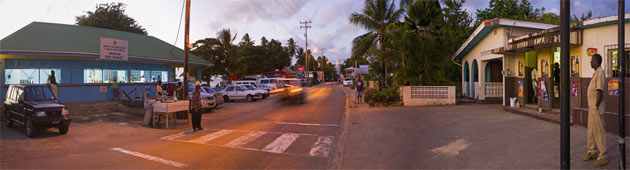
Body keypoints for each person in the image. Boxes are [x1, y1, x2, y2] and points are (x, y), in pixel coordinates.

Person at [583, 54, 608, 167]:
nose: (590, 62)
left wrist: (596, 106)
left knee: (599, 131)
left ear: (597, 61)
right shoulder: (596, 73)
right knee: (591, 131)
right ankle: (592, 151)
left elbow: (600, 91)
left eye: (592, 60)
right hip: (592, 108)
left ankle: (603, 156)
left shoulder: (601, 72)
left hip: (596, 108)